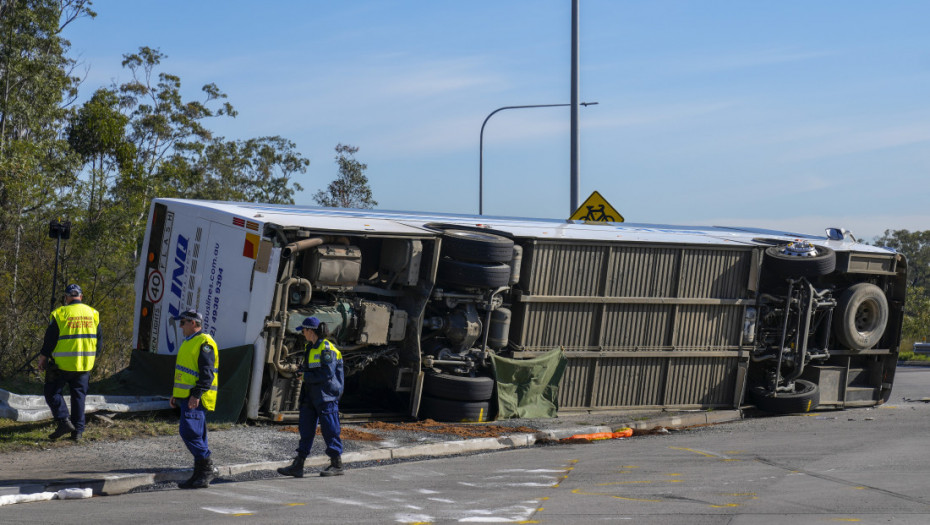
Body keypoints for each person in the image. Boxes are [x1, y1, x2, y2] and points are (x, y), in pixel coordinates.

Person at [278, 316, 345, 478]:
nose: (303, 334)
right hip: (311, 395)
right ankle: (298, 465)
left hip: (326, 395)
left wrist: (305, 377)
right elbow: (313, 368)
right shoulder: (310, 347)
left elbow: (327, 373)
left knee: (330, 429)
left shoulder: (327, 348)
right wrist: (302, 371)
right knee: (306, 429)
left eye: (304, 331)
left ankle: (336, 464)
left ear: (311, 331)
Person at [38, 283, 100, 442]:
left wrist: (43, 357)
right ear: (81, 297)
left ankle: (64, 420)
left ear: (66, 298)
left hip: (62, 364)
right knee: (79, 396)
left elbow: (50, 339)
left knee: (51, 392)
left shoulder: (60, 313)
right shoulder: (93, 313)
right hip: (85, 364)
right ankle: (78, 432)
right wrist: (93, 357)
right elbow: (99, 341)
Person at [169, 309, 220, 489]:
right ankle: (200, 474)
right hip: (187, 396)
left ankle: (207, 467)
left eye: (183, 322)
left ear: (193, 323)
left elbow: (207, 374)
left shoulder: (204, 343)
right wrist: (176, 394)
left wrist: (196, 394)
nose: (181, 326)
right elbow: (184, 372)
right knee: (196, 434)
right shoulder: (189, 342)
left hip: (196, 398)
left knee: (188, 432)